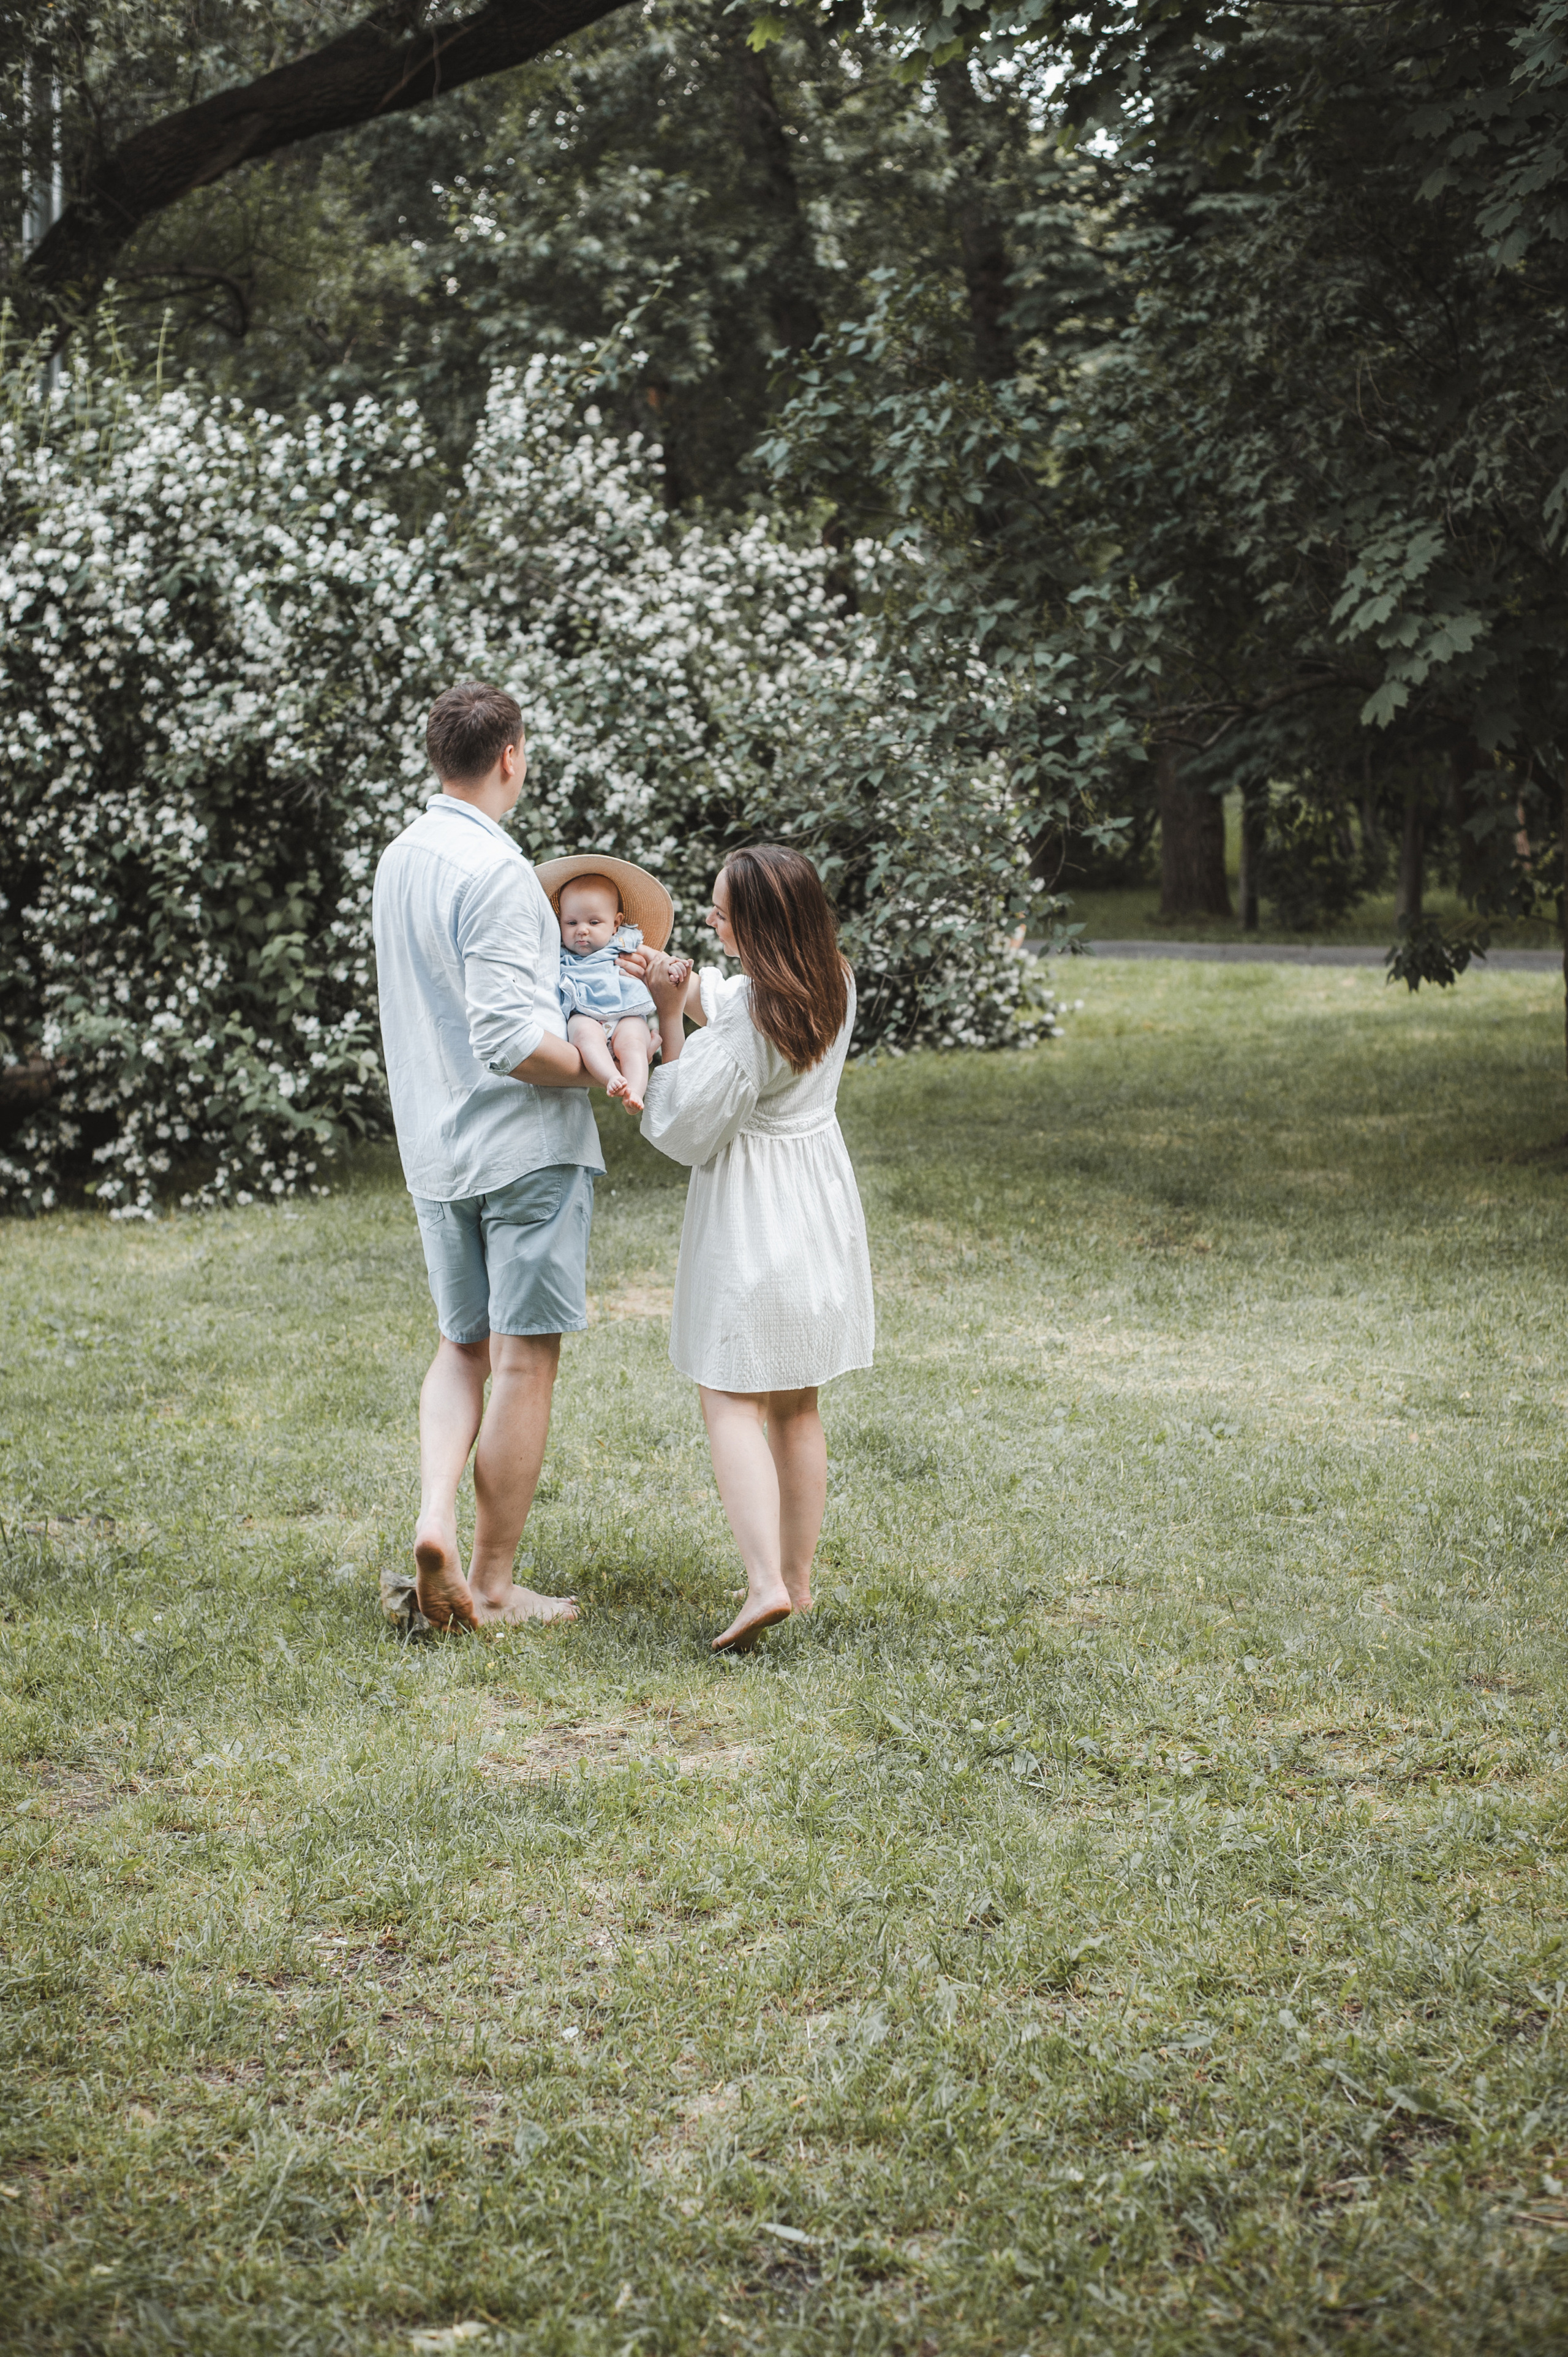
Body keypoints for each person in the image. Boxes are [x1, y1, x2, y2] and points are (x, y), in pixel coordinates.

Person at [371, 683, 613, 1632]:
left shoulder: (402, 858)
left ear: (441, 755)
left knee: (458, 1344)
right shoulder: (500, 871)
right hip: (520, 1148)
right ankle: (497, 1582)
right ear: (511, 755)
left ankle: (434, 1515)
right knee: (523, 1361)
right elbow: (514, 1039)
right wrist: (608, 1074)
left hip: (435, 1146)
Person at [636, 846, 875, 1653]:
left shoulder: (746, 1018)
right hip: (816, 1204)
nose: (711, 921)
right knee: (797, 1404)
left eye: (721, 914)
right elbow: (742, 1007)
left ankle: (762, 1578)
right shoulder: (831, 977)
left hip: (753, 1211)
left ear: (759, 927)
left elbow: (687, 1123)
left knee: (727, 1389)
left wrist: (669, 1019)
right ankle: (797, 1581)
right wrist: (683, 983)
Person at [532, 857, 682, 1119]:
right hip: (585, 1014)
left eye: (593, 923)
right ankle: (611, 1077)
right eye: (571, 923)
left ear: (615, 923)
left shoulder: (623, 941)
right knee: (583, 1035)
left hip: (625, 1013)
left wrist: (672, 966)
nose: (582, 931)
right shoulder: (558, 954)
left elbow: (656, 958)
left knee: (634, 1042)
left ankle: (634, 1090)